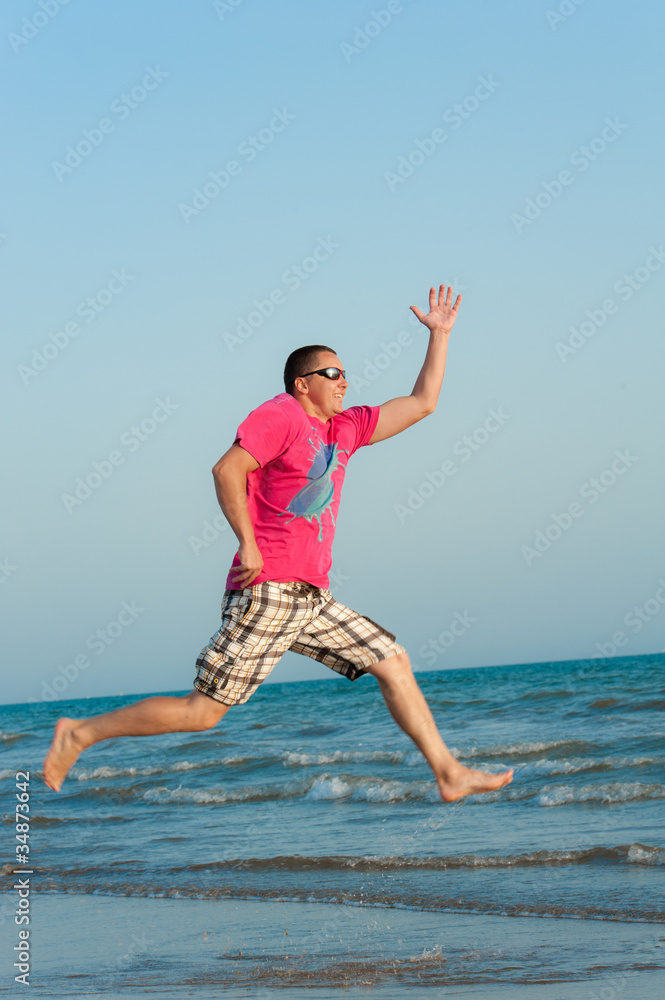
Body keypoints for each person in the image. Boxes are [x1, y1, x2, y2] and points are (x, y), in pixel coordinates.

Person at [43, 284, 513, 801]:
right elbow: (227, 469)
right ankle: (79, 733)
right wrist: (246, 541)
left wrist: (440, 336)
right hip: (268, 588)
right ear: (302, 383)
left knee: (392, 660)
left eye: (345, 374)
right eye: (332, 374)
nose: (344, 382)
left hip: (312, 596)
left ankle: (447, 772)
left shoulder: (346, 429)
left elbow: (423, 403)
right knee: (202, 714)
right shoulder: (283, 415)